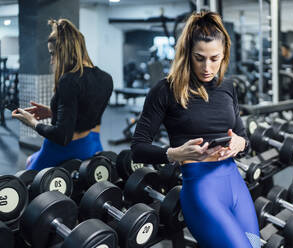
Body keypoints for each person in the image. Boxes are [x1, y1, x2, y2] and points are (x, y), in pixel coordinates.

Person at [131, 11, 260, 248]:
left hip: (235, 183)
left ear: (224, 55)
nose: (207, 67)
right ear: (187, 53)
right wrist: (173, 154)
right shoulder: (166, 90)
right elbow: (137, 148)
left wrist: (240, 143)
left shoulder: (227, 87)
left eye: (215, 58)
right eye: (200, 58)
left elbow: (243, 138)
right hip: (202, 190)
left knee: (254, 244)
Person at [12, 19, 113, 171]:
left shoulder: (69, 80)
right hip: (91, 146)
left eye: (53, 54)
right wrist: (53, 111)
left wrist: (32, 122)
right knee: (30, 159)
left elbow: (62, 136)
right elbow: (86, 112)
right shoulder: (106, 78)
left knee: (25, 182)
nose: (52, 61)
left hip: (62, 150)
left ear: (64, 51)